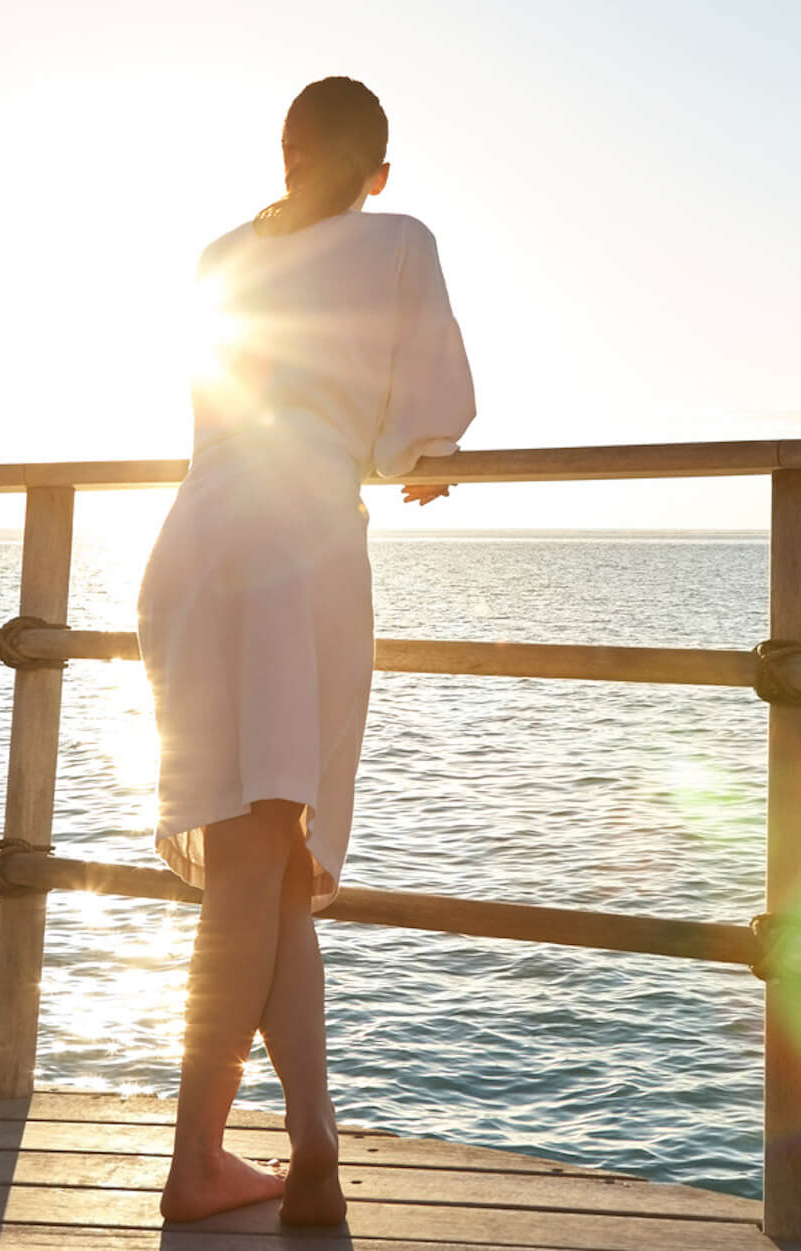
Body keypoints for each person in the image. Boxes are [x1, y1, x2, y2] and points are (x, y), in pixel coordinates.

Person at [136, 76, 477, 1226]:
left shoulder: (219, 257)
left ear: (283, 154)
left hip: (196, 540)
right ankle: (197, 1160)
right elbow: (414, 432)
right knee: (252, 869)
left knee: (271, 868)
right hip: (299, 548)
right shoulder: (397, 241)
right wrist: (424, 449)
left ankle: (313, 1147)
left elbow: (219, 405)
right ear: (376, 170)